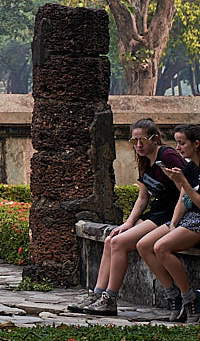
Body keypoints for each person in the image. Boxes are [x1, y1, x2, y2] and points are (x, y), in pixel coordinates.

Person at [71, 119, 189, 316]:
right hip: (155, 212)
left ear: (155, 139)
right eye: (134, 141)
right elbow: (142, 198)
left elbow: (185, 188)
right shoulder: (144, 160)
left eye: (142, 140)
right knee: (111, 239)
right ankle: (97, 294)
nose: (139, 146)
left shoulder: (167, 156)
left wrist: (175, 222)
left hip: (169, 214)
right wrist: (128, 223)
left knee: (118, 243)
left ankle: (110, 299)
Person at [138, 124, 200, 322]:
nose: (178, 148)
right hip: (188, 217)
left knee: (162, 247)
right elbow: (183, 199)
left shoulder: (189, 171)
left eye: (182, 143)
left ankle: (189, 298)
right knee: (144, 245)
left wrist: (183, 182)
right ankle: (172, 294)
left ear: (196, 144)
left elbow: (196, 200)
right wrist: (173, 223)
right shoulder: (190, 167)